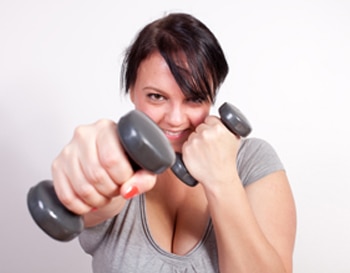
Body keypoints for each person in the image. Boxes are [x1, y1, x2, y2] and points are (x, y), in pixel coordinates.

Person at [52, 13, 296, 273]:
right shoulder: (112, 162)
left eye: (194, 99)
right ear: (132, 90)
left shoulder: (252, 161)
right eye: (157, 97)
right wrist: (84, 172)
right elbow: (90, 199)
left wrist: (222, 178)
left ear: (212, 98)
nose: (176, 119)